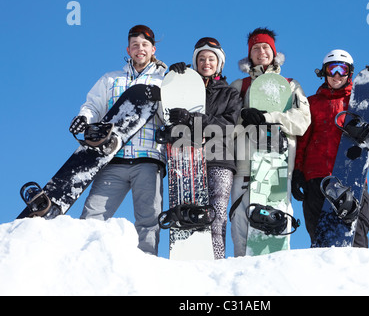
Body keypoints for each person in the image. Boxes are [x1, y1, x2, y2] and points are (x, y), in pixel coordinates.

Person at [69, 25, 167, 255]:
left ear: (153, 49)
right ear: (128, 49)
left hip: (148, 159)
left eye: (144, 45)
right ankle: (84, 263)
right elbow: (93, 105)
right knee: (92, 216)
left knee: (148, 220)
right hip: (113, 159)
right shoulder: (111, 79)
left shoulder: (164, 78)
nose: (139, 49)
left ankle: (146, 265)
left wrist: (169, 92)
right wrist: (84, 118)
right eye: (135, 45)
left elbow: (169, 116)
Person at [292, 49, 369, 248]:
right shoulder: (312, 103)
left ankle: (356, 275)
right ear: (324, 73)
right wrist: (297, 172)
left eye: (342, 69)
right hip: (316, 178)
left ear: (350, 73)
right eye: (332, 69)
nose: (337, 75)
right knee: (319, 233)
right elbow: (302, 140)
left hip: (350, 175)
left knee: (356, 229)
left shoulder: (357, 101)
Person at [229, 27, 311, 257]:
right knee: (241, 231)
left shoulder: (291, 85)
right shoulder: (239, 86)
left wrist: (268, 117)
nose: (261, 52)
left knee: (275, 228)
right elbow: (226, 127)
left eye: (266, 47)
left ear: (274, 52)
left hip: (278, 167)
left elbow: (302, 122)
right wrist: (244, 119)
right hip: (244, 167)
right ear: (249, 54)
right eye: (256, 48)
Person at [168, 37, 241, 259]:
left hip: (220, 157)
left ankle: (216, 263)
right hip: (188, 157)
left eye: (211, 58)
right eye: (201, 59)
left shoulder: (230, 93)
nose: (206, 63)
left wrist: (197, 119)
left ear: (219, 63)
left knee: (216, 215)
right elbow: (167, 110)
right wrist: (173, 79)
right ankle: (188, 260)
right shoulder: (185, 89)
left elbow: (231, 124)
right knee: (190, 213)